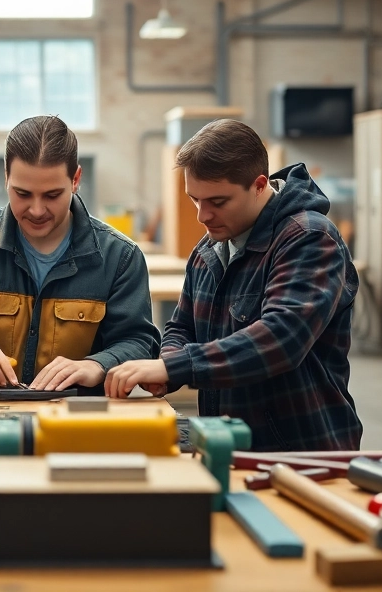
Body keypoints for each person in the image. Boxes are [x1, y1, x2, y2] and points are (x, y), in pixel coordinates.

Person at [104, 120, 362, 452]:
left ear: (259, 185)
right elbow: (182, 327)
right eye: (195, 200)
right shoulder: (208, 249)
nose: (202, 216)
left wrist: (173, 366)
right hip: (228, 443)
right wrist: (168, 366)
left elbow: (282, 337)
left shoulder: (308, 238)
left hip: (302, 452)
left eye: (218, 201)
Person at [0, 115, 158, 395]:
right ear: (6, 177)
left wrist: (98, 365)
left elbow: (140, 342)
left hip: (80, 417)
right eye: (23, 194)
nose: (37, 210)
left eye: (52, 195)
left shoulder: (120, 257)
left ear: (76, 179)